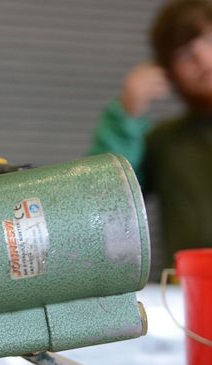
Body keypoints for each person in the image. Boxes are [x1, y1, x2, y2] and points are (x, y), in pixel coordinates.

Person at [89, 0, 212, 272]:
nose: (202, 59)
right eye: (184, 53)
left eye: (208, 38)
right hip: (191, 294)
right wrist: (126, 115)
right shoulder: (167, 142)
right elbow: (101, 203)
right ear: (168, 74)